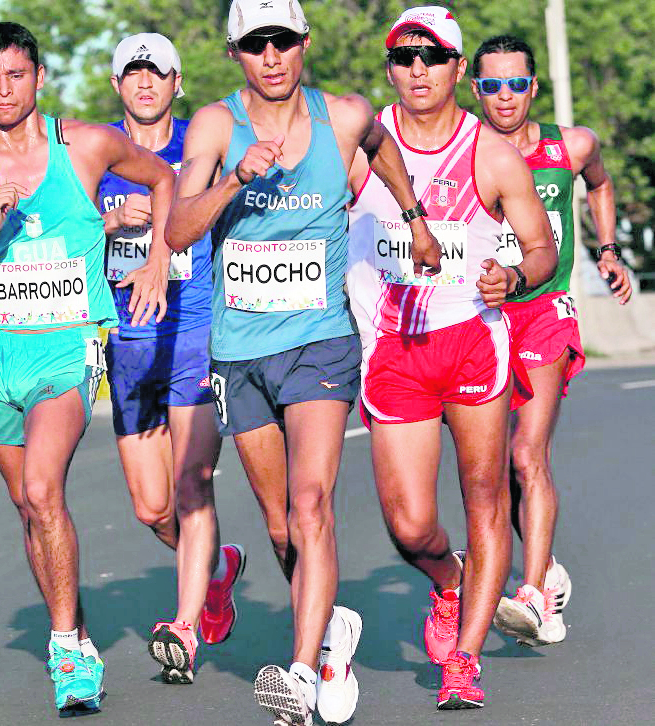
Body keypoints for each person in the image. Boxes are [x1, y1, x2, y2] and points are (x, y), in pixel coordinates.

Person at [168, 1, 437, 722]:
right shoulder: (216, 127)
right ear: (234, 54)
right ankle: (330, 638)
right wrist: (232, 182)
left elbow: (382, 147)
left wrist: (412, 220)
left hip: (319, 342)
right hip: (240, 352)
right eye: (254, 44)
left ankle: (298, 671)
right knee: (282, 524)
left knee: (310, 502)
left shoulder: (342, 116)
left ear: (302, 44)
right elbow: (175, 231)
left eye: (281, 41)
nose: (271, 56)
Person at [0, 21, 174, 715]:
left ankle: (68, 647)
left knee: (43, 490)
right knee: (25, 505)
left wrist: (157, 254)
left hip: (68, 343)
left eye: (16, 75)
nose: (3, 90)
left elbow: (161, 177)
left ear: (39, 78)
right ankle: (71, 633)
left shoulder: (86, 145)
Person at [346, 8, 557, 711]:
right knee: (408, 525)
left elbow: (540, 249)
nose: (417, 70)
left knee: (485, 498)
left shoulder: (489, 154)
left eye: (431, 58)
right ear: (388, 69)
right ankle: (448, 580)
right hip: (394, 350)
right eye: (403, 58)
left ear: (456, 70)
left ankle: (463, 661)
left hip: (471, 339)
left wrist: (516, 279)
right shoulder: (358, 147)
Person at [471, 35, 631, 649]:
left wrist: (608, 249)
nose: (505, 96)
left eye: (516, 83)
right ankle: (549, 570)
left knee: (525, 454)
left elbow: (601, 182)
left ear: (534, 86)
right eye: (491, 85)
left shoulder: (571, 145)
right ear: (476, 89)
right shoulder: (467, 151)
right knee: (491, 469)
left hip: (546, 312)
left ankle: (533, 593)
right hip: (484, 320)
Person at [97, 32, 242, 686]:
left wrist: (169, 214)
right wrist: (103, 222)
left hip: (193, 333)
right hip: (127, 344)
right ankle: (214, 569)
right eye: (132, 73)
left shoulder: (202, 144)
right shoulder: (96, 153)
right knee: (151, 508)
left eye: (156, 73)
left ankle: (182, 627)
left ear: (175, 82)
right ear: (117, 86)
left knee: (191, 486)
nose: (145, 83)